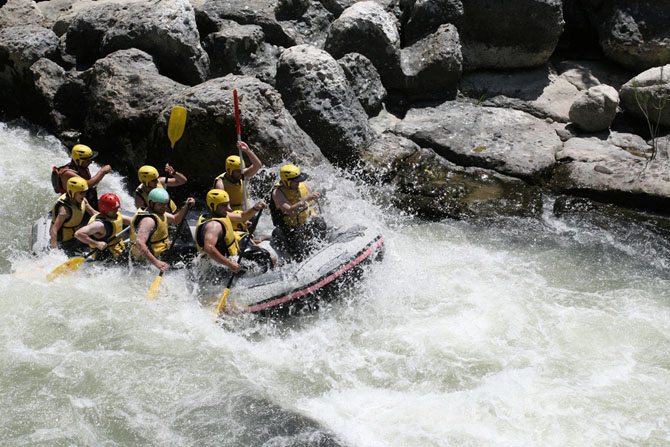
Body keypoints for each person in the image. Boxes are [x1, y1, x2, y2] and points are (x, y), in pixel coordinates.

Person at [195, 189, 272, 274]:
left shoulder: (220, 214)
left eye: (228, 204)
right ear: (213, 206)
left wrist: (255, 208)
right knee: (260, 256)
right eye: (224, 205)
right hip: (220, 268)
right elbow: (209, 248)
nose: (229, 208)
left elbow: (242, 216)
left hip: (227, 261)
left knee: (258, 254)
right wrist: (230, 264)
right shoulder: (214, 226)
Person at [270, 164, 327, 261]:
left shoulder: (303, 185)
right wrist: (306, 199)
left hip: (306, 223)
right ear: (286, 181)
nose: (298, 183)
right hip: (290, 227)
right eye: (295, 181)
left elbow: (313, 205)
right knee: (301, 251)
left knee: (320, 223)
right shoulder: (277, 193)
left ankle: (322, 249)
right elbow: (290, 210)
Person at [129, 188, 195, 272]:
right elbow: (139, 244)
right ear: (151, 203)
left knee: (190, 250)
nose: (164, 207)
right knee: (190, 252)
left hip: (161, 253)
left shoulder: (157, 212)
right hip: (151, 260)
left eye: (165, 204)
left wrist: (186, 206)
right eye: (161, 204)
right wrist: (157, 263)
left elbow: (175, 220)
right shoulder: (149, 220)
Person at [74, 193, 131, 263]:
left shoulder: (114, 216)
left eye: (117, 208)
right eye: (113, 210)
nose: (116, 211)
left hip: (119, 253)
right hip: (107, 261)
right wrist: (97, 244)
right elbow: (78, 234)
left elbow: (131, 221)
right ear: (105, 210)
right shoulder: (99, 225)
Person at [52, 144, 112, 210]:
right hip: (74, 207)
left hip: (85, 202)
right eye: (88, 160)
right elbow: (88, 184)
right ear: (78, 161)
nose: (91, 162)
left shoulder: (82, 167)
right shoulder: (67, 173)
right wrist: (103, 171)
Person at [50, 177, 97, 256]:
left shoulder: (83, 200)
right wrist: (54, 250)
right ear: (72, 192)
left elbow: (93, 213)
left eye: (85, 192)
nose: (84, 195)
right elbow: (54, 230)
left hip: (75, 237)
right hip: (64, 243)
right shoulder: (64, 211)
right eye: (81, 193)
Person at [212, 141, 262, 211]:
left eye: (242, 170)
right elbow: (221, 206)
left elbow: (258, 165)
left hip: (244, 207)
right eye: (238, 171)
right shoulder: (220, 184)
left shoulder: (243, 174)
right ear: (229, 170)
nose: (241, 173)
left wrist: (247, 151)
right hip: (229, 211)